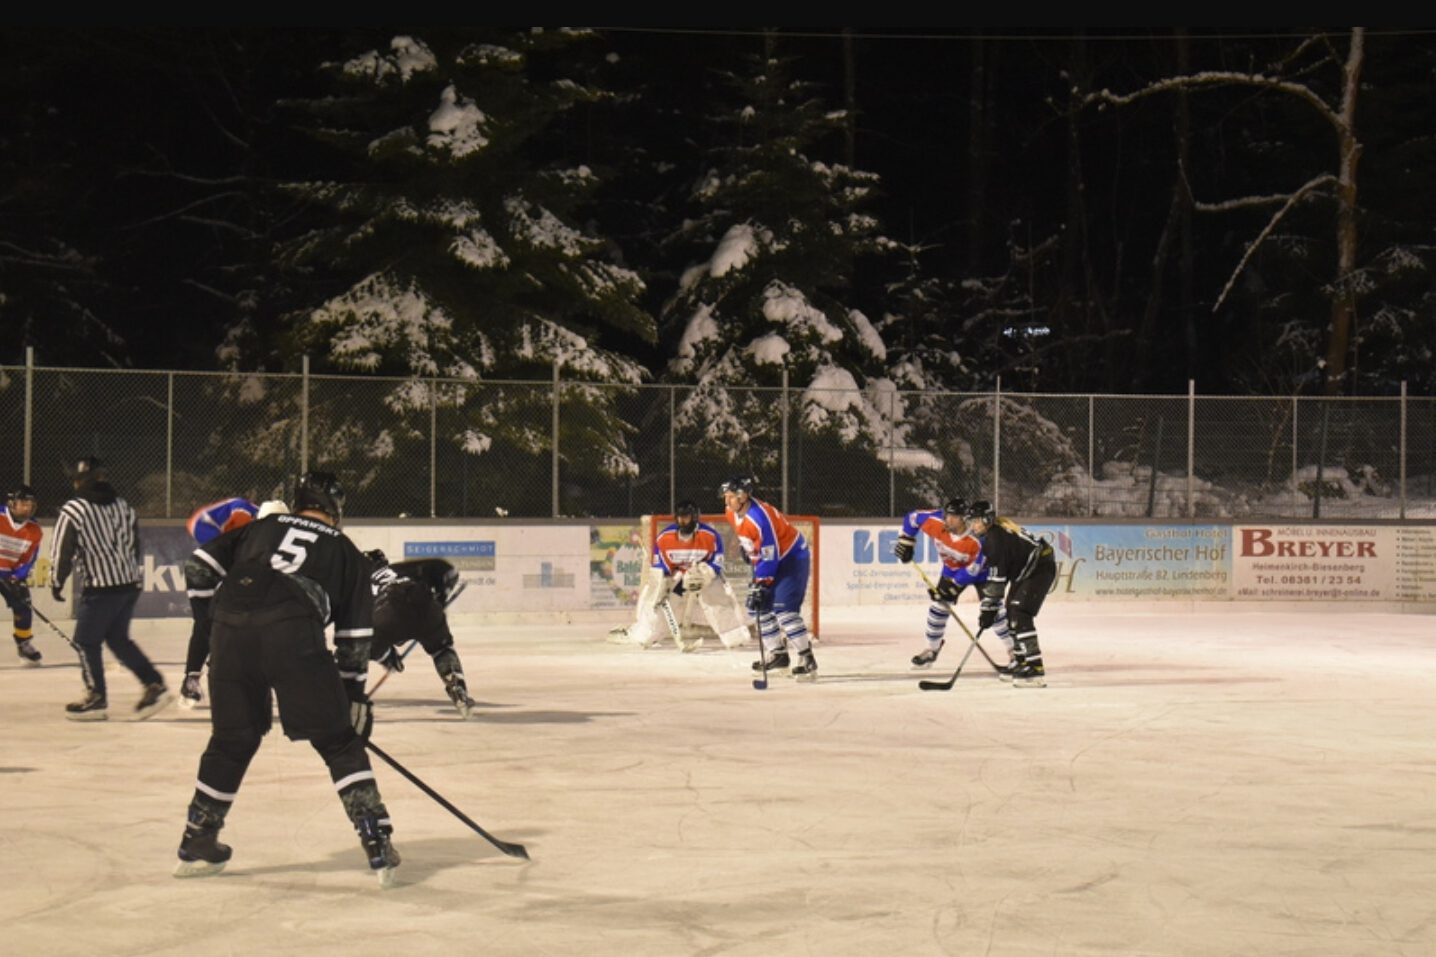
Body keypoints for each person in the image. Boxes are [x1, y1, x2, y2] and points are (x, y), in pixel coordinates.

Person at [172, 471, 401, 887]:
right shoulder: (346, 550)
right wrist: (352, 697)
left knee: (231, 740)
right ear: (334, 507)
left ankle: (198, 838)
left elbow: (199, 566)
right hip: (291, 630)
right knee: (338, 741)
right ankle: (375, 837)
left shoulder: (263, 526)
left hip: (230, 628)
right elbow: (354, 636)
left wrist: (210, 623)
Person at [50, 457, 171, 720]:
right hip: (128, 583)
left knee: (85, 641)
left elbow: (63, 549)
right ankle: (154, 684)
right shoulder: (122, 505)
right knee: (117, 639)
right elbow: (135, 544)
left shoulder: (74, 510)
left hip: (100, 588)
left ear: (81, 481)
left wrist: (56, 580)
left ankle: (96, 697)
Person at [179, 497, 288, 708]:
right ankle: (225, 674)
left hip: (201, 562)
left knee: (207, 624)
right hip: (210, 567)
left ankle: (196, 678)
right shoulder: (252, 525)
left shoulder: (254, 526)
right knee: (230, 622)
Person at [609, 500, 749, 651]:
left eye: (686, 517)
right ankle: (645, 634)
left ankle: (735, 637)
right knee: (659, 603)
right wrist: (662, 585)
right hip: (680, 580)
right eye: (679, 517)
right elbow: (660, 567)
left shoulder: (710, 536)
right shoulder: (664, 538)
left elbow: (717, 561)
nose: (682, 521)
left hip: (703, 578)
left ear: (695, 517)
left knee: (718, 598)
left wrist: (707, 573)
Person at [893, 497, 1012, 671]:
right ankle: (931, 649)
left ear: (964, 519)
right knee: (938, 607)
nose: (947, 519)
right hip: (952, 569)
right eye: (947, 515)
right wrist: (906, 542)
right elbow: (912, 518)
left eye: (953, 517)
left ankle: (1013, 650)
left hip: (982, 573)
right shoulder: (936, 521)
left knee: (994, 611)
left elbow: (973, 570)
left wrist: (954, 586)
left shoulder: (978, 539)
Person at [720, 476, 818, 681]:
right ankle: (778, 655)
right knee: (759, 607)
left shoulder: (759, 517)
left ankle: (806, 658)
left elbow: (770, 551)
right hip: (771, 560)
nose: (727, 502)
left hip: (791, 559)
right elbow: (753, 540)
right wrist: (746, 548)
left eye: (731, 497)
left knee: (784, 610)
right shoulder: (732, 512)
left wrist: (762, 582)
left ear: (743, 496)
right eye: (726, 497)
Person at [363, 548, 478, 718]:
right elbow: (446, 569)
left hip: (386, 612)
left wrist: (386, 656)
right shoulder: (397, 570)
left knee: (364, 647)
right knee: (442, 649)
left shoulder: (360, 585)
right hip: (423, 602)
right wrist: (439, 599)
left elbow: (362, 634)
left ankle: (343, 701)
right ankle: (457, 687)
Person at [961, 499, 1056, 688]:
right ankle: (1020, 662)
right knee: (1012, 612)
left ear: (987, 519)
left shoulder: (996, 540)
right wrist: (988, 608)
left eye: (976, 520)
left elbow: (997, 583)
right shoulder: (992, 536)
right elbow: (997, 579)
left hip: (1040, 567)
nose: (973, 525)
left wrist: (988, 610)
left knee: (1020, 613)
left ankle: (1035, 668)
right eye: (971, 521)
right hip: (1028, 570)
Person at [0, 485, 44, 664]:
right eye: (23, 504)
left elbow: (29, 559)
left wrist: (18, 577)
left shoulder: (34, 530)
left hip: (9, 574)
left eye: (30, 504)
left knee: (24, 607)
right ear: (11, 504)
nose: (27, 508)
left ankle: (24, 643)